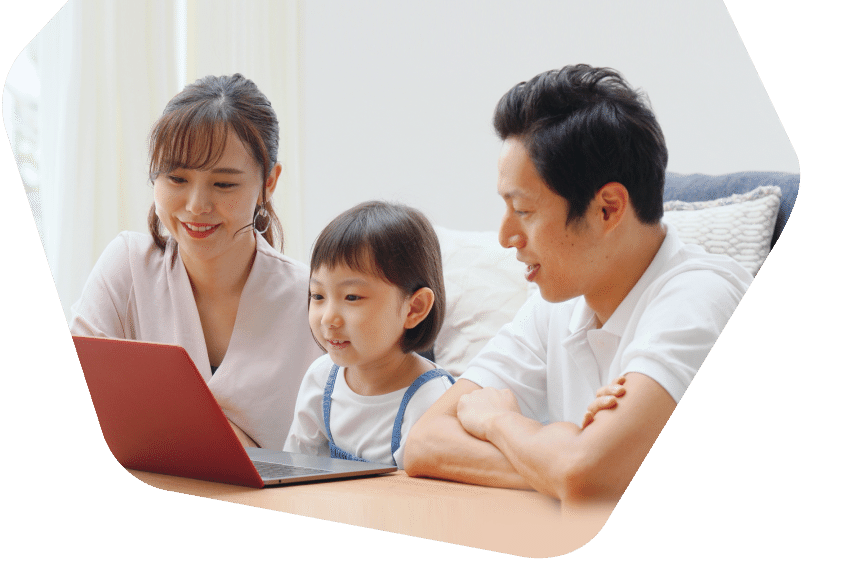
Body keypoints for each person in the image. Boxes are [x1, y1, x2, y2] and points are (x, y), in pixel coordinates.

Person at [404, 65, 753, 501]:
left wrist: (501, 423)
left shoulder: (702, 298)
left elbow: (586, 474)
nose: (505, 236)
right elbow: (423, 443)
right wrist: (560, 458)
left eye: (525, 211)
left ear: (607, 209)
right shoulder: (556, 302)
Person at [69, 74, 322, 450]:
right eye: (176, 178)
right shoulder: (127, 267)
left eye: (224, 184)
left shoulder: (314, 302)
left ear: (268, 183)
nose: (196, 206)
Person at [284, 201, 455, 468]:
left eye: (352, 297)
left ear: (414, 308)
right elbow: (295, 466)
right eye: (318, 295)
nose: (328, 318)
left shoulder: (430, 401)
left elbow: (424, 500)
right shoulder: (322, 378)